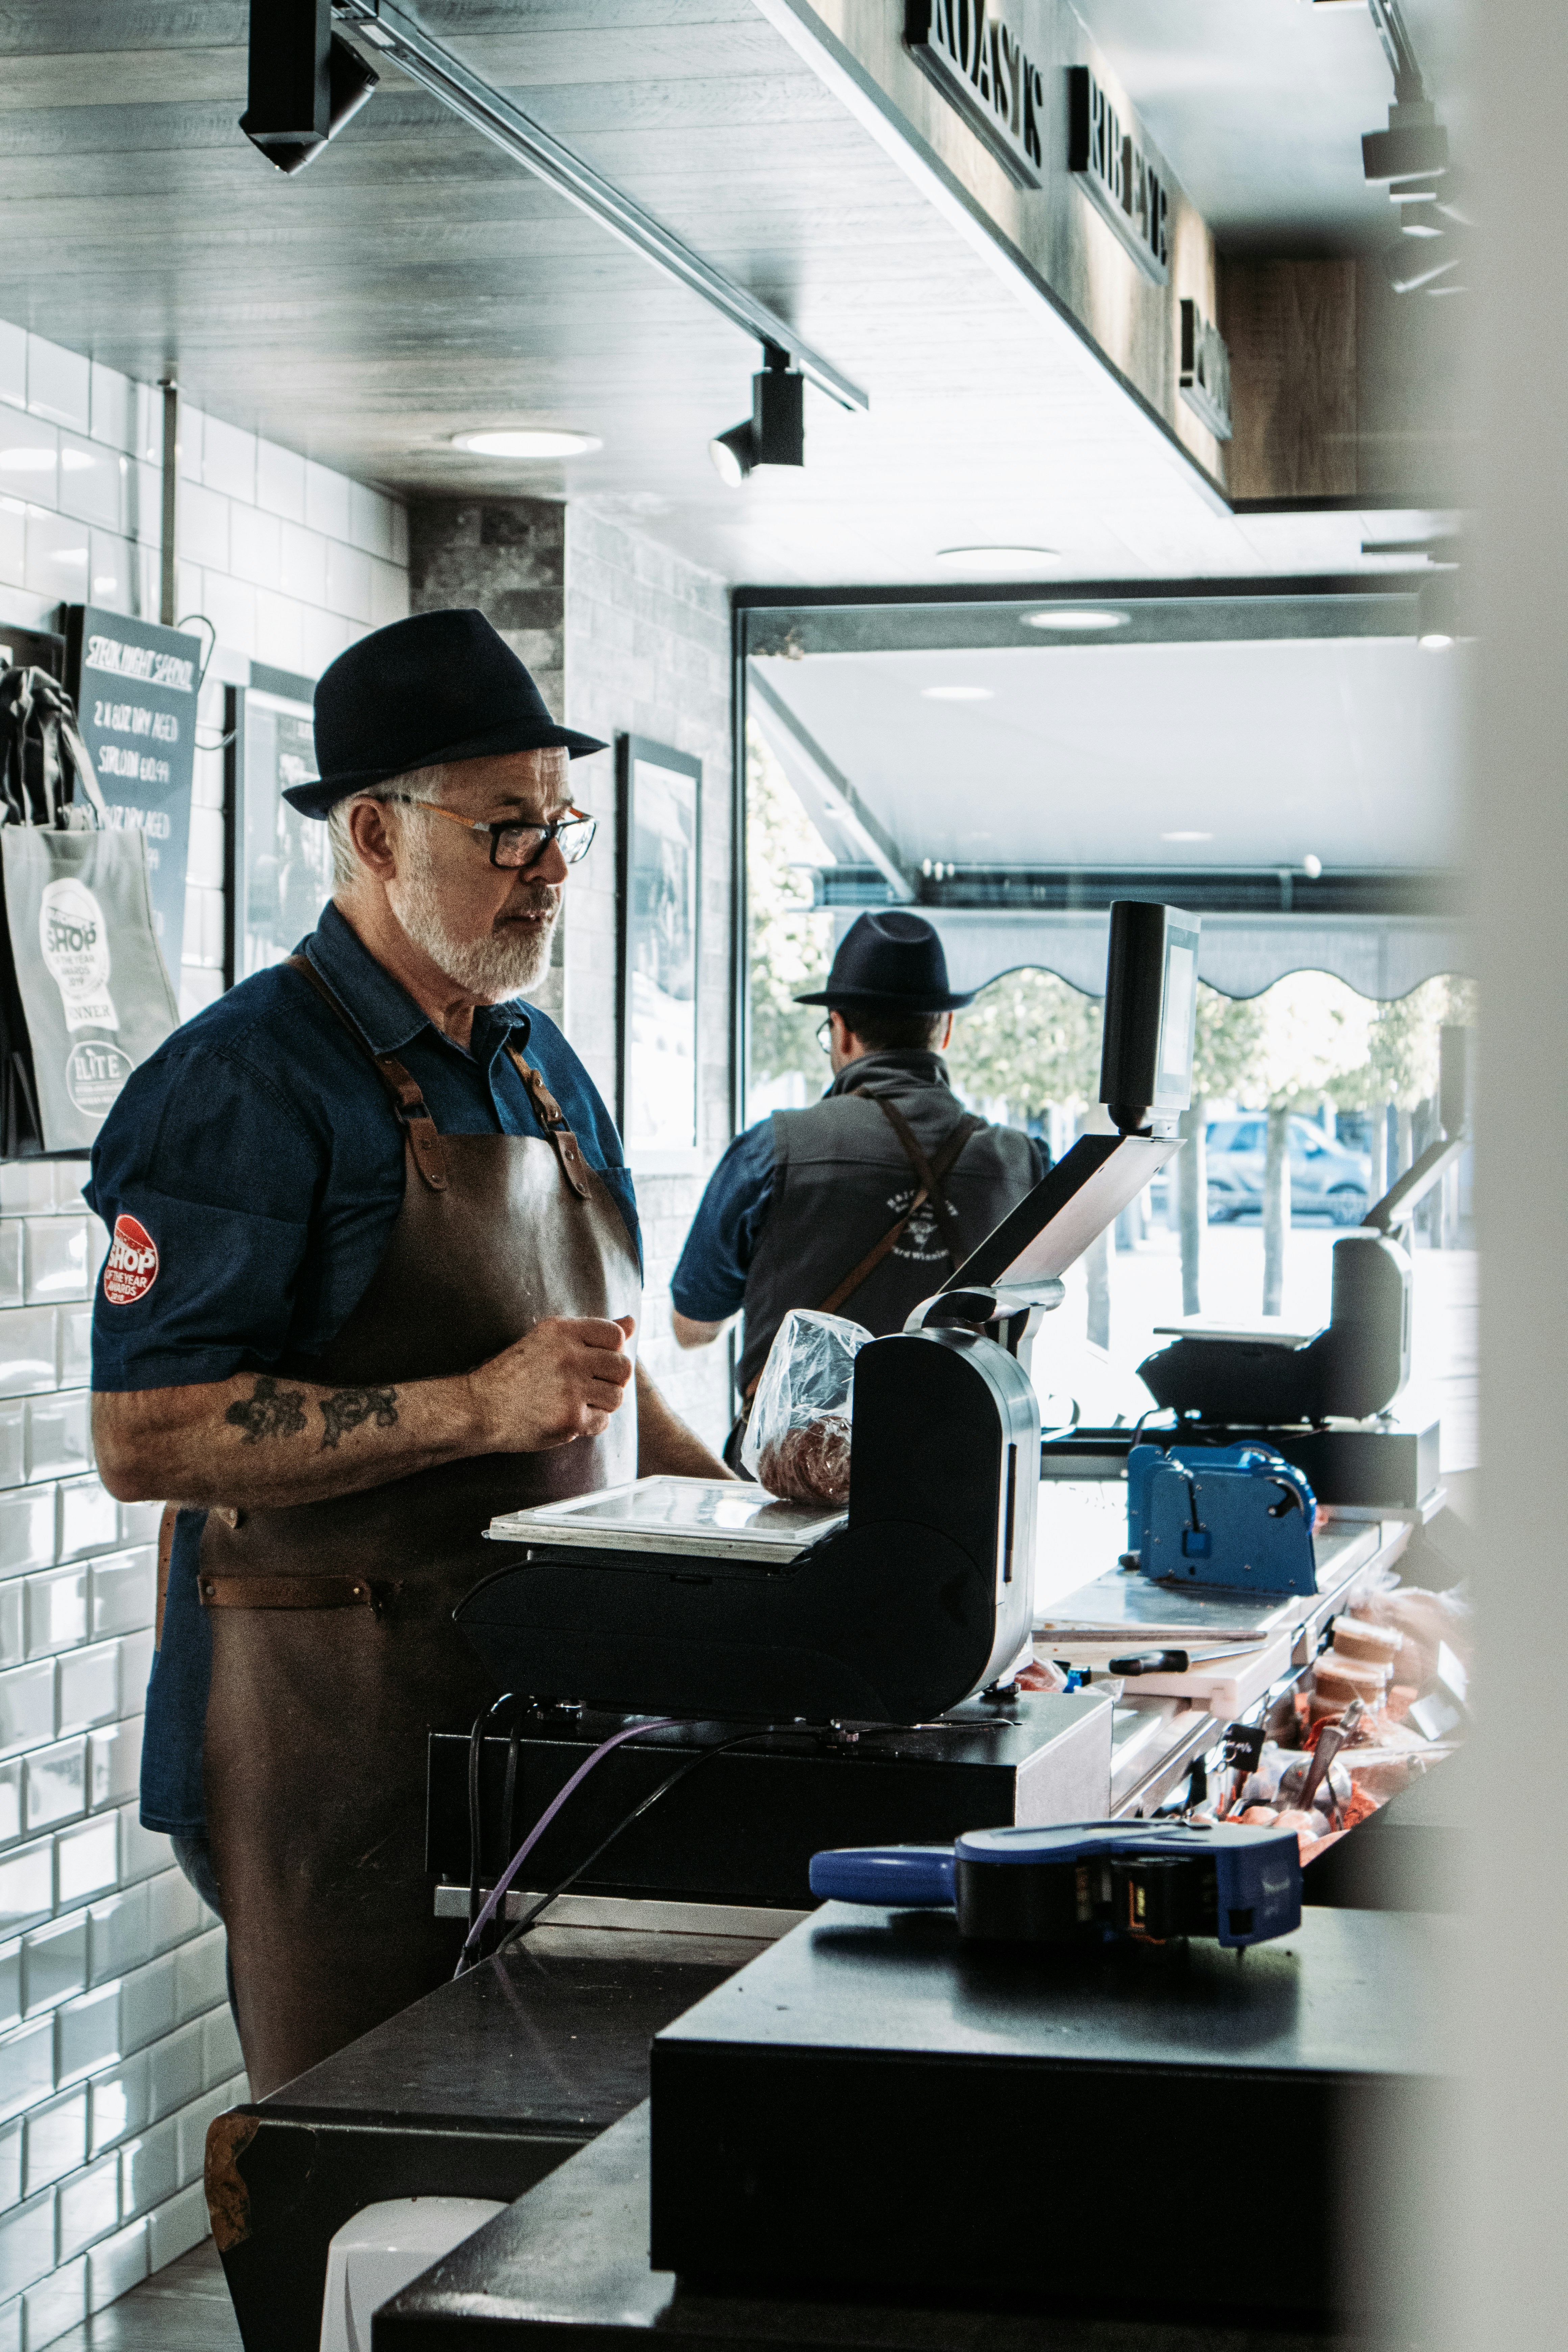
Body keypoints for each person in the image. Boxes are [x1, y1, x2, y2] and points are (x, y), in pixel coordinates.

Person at [87, 608, 731, 2098]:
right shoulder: (242, 1085)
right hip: (326, 1745)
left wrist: (762, 1509)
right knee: (364, 2183)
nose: (553, 867)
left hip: (539, 1731)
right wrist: (472, 1407)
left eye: (560, 824)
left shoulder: (536, 1064)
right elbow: (149, 1438)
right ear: (373, 834)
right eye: (508, 831)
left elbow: (600, 1374)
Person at [670, 910, 1044, 1455]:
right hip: (961, 1487)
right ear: (945, 1029)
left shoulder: (773, 1149)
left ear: (840, 1031)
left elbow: (692, 1327)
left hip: (789, 1483)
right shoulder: (1023, 1162)